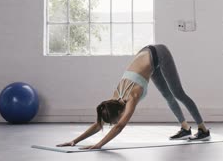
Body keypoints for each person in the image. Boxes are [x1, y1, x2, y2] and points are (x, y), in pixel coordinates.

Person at [57, 44, 210, 150]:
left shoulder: (132, 96)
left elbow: (120, 126)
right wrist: (74, 141)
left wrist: (99, 144)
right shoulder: (114, 100)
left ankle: (203, 130)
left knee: (178, 93)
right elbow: (98, 124)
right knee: (167, 96)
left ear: (119, 112)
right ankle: (185, 128)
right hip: (145, 56)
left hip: (158, 53)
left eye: (114, 120)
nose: (113, 123)